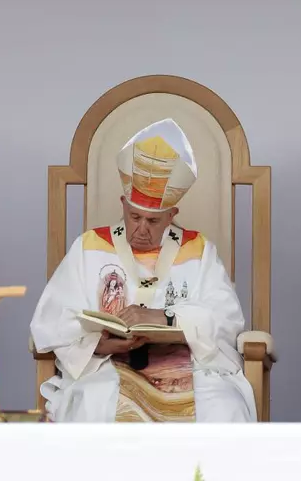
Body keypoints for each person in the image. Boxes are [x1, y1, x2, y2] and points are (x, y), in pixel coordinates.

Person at [31, 118, 256, 422]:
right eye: (134, 217)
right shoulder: (89, 246)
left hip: (191, 365)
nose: (141, 229)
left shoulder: (198, 249)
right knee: (95, 404)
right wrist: (97, 344)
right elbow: (52, 320)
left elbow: (226, 318)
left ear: (171, 215)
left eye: (153, 221)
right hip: (107, 365)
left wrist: (165, 318)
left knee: (224, 407)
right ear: (123, 204)